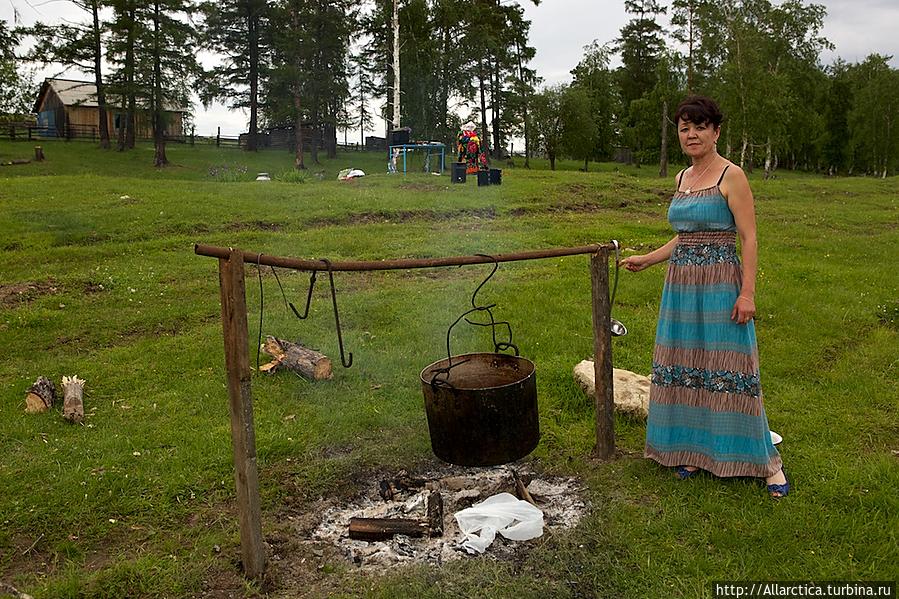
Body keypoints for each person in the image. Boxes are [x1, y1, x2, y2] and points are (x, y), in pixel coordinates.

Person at [619, 95, 789, 498]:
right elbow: (685, 235)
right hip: (680, 287)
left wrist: (747, 292)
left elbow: (748, 237)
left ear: (715, 131)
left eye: (699, 126)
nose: (691, 134)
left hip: (719, 283)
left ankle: (767, 465)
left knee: (731, 366)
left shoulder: (731, 175)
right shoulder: (682, 178)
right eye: (684, 127)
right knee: (687, 362)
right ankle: (694, 450)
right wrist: (650, 258)